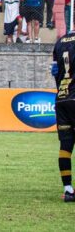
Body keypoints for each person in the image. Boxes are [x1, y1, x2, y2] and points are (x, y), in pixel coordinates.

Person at [51, 30, 75, 202]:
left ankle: (68, 190)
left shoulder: (59, 42)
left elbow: (55, 71)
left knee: (65, 146)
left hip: (62, 98)